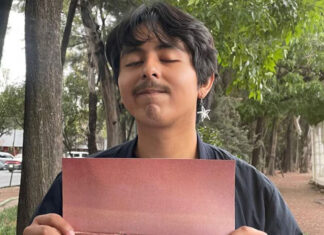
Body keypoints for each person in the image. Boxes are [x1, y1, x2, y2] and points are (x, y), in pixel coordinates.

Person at [24, 2, 302, 235]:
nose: (149, 70)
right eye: (132, 62)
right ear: (120, 85)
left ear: (204, 82)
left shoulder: (253, 191)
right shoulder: (74, 189)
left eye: (168, 58)